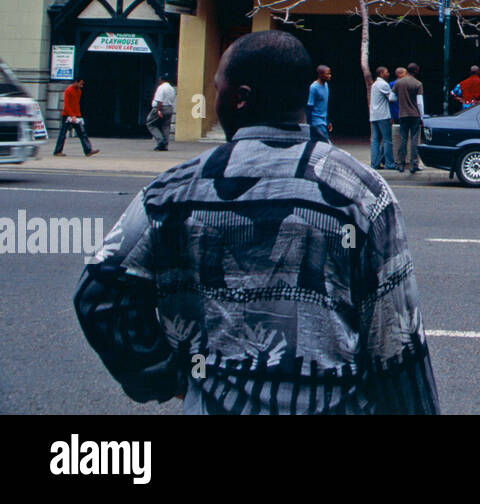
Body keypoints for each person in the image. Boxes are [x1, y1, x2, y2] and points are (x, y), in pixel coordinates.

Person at [72, 29, 439, 414]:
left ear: (240, 98)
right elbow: (397, 341)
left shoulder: (172, 191)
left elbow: (98, 293)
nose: (213, 100)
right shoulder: (361, 192)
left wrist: (164, 376)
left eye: (217, 89)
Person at [51, 77, 98, 157]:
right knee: (63, 134)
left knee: (82, 133)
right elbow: (67, 105)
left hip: (75, 116)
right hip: (67, 116)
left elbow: (76, 105)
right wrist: (72, 115)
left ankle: (88, 150)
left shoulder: (79, 91)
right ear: (76, 82)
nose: (82, 85)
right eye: (81, 83)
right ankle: (57, 151)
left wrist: (78, 116)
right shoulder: (68, 90)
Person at [394, 63, 424, 173]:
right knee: (414, 140)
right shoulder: (418, 84)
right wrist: (422, 116)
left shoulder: (399, 83)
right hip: (415, 115)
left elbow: (392, 98)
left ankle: (401, 164)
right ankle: (413, 164)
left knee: (403, 139)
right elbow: (420, 102)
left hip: (403, 114)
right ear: (416, 71)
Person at [369, 66, 398, 170]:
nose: (388, 73)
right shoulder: (383, 84)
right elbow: (392, 98)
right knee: (387, 140)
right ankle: (389, 164)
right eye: (386, 72)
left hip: (374, 115)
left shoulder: (374, 84)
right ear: (381, 73)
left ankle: (374, 164)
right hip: (383, 115)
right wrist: (398, 91)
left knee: (375, 140)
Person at [146, 74, 176, 151]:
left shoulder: (161, 88)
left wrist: (158, 110)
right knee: (165, 126)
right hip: (169, 108)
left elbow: (159, 100)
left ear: (162, 80)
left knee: (150, 123)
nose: (158, 81)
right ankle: (165, 145)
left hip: (161, 107)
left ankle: (160, 141)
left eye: (159, 80)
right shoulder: (171, 88)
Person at [305, 65, 331, 143]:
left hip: (323, 121)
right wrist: (309, 125)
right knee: (326, 143)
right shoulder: (314, 88)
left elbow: (324, 105)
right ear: (320, 75)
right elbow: (309, 107)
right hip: (316, 122)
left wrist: (328, 121)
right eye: (327, 74)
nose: (330, 76)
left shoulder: (326, 85)